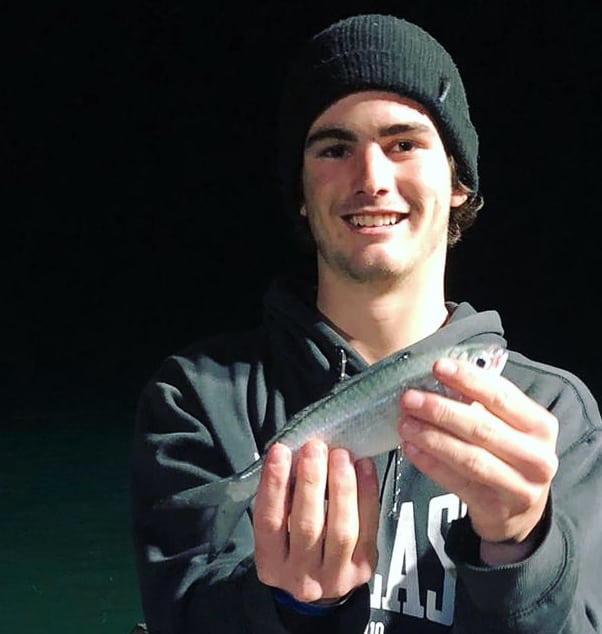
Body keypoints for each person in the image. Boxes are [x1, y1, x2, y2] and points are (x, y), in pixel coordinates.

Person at [129, 13, 602, 633]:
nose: (372, 179)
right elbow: (180, 615)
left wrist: (520, 547)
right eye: (334, 148)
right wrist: (296, 609)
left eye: (404, 143)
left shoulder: (555, 418)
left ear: (458, 181)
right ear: (301, 189)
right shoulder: (197, 401)